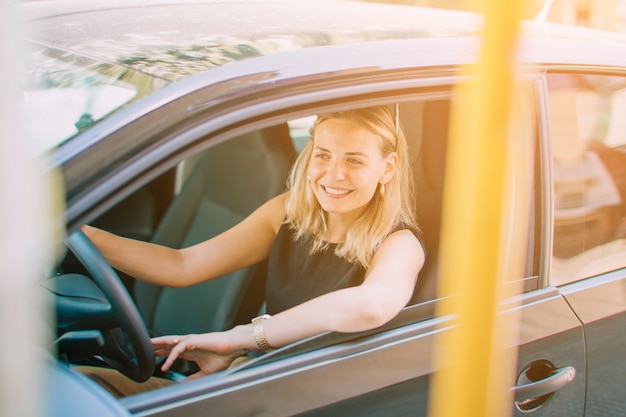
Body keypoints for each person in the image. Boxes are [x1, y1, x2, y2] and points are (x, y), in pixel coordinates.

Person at [80, 105, 425, 397]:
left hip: (306, 398)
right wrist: (81, 236)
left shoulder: (399, 244)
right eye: (323, 155)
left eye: (354, 160)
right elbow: (183, 265)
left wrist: (241, 339)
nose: (333, 174)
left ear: (388, 168)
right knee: (86, 382)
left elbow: (371, 306)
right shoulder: (287, 213)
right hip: (251, 376)